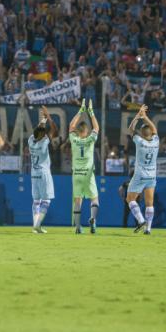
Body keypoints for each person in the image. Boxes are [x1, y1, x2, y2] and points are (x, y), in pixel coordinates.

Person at [125, 104, 159, 235]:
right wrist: (145, 117)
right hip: (152, 176)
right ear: (150, 133)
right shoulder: (156, 141)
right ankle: (148, 229)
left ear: (142, 134)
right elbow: (154, 129)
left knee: (130, 199)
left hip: (140, 174)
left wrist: (138, 116)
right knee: (149, 202)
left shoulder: (139, 141)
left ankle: (140, 220)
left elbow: (130, 129)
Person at [69, 99, 100, 234]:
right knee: (94, 199)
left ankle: (77, 227)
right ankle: (93, 219)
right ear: (86, 131)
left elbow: (71, 126)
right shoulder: (90, 140)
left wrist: (80, 111)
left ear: (78, 131)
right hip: (89, 174)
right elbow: (97, 128)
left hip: (77, 174)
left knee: (77, 200)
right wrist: (91, 112)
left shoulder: (74, 140)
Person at [28, 106, 58, 234]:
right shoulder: (44, 142)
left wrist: (43, 119)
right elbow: (55, 130)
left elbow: (38, 130)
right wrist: (49, 116)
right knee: (46, 200)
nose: (46, 133)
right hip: (44, 173)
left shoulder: (31, 140)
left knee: (36, 200)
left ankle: (36, 225)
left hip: (34, 173)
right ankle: (38, 224)